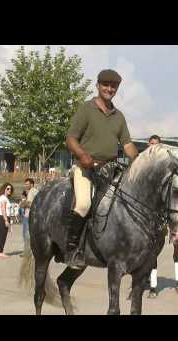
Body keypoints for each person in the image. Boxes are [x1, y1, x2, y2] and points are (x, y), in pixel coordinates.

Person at [65, 69, 139, 269]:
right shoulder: (86, 109)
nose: (109, 88)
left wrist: (140, 159)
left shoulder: (119, 116)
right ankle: (71, 249)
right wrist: (83, 155)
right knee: (83, 203)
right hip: (86, 168)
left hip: (111, 168)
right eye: (105, 85)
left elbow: (127, 144)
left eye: (113, 86)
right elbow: (71, 139)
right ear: (97, 86)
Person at [19, 178, 39, 257]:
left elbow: (30, 204)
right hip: (33, 215)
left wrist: (22, 204)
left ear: (32, 184)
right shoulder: (35, 191)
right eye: (25, 184)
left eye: (27, 184)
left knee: (26, 234)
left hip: (28, 215)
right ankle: (30, 251)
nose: (26, 185)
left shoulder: (31, 191)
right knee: (30, 234)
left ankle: (27, 252)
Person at [0, 183, 14, 258]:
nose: (9, 190)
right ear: (4, 189)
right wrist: (6, 220)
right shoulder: (3, 198)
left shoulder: (5, 198)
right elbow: (3, 209)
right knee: (1, 235)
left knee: (1, 234)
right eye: (7, 188)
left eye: (10, 189)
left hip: (3, 217)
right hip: (3, 217)